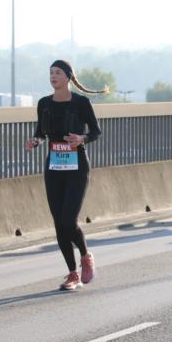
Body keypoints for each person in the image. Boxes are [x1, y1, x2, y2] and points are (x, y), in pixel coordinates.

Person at [25, 60, 103, 291]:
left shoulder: (81, 103)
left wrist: (82, 139)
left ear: (68, 77)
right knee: (59, 223)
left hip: (77, 165)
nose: (53, 76)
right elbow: (41, 132)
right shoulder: (44, 104)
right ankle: (72, 274)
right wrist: (35, 141)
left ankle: (86, 255)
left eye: (58, 72)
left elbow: (96, 131)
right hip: (54, 167)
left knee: (69, 220)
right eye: (50, 73)